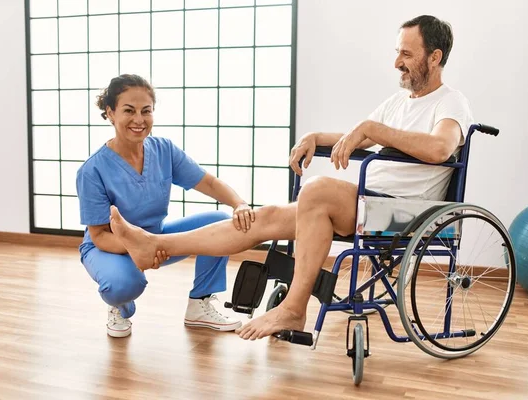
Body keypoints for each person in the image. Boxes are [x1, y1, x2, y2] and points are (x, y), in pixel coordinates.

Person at [107, 15, 473, 340]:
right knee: (264, 217)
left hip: (406, 214)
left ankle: (295, 308)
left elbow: (440, 148)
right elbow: (356, 136)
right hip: (370, 201)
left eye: (406, 55)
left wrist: (372, 129)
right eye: (398, 53)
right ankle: (155, 244)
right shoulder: (398, 103)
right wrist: (316, 137)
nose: (397, 63)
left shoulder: (450, 101)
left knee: (317, 189)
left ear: (435, 57)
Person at [76, 74, 254, 337]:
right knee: (124, 284)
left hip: (157, 238)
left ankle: (199, 305)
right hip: (110, 247)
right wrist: (139, 245)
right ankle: (119, 305)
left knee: (220, 222)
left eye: (146, 111)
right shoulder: (92, 171)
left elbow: (207, 182)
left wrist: (239, 204)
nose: (139, 120)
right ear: (110, 113)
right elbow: (100, 235)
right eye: (129, 110)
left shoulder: (164, 150)